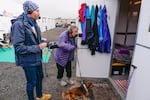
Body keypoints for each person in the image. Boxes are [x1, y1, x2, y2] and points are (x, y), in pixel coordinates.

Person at [11, 1, 51, 100]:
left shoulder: (34, 23)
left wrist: (46, 43)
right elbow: (19, 47)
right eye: (37, 11)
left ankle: (39, 96)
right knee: (31, 82)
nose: (39, 13)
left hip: (36, 58)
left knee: (40, 77)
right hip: (27, 60)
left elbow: (36, 40)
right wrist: (38, 47)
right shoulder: (18, 25)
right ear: (29, 11)